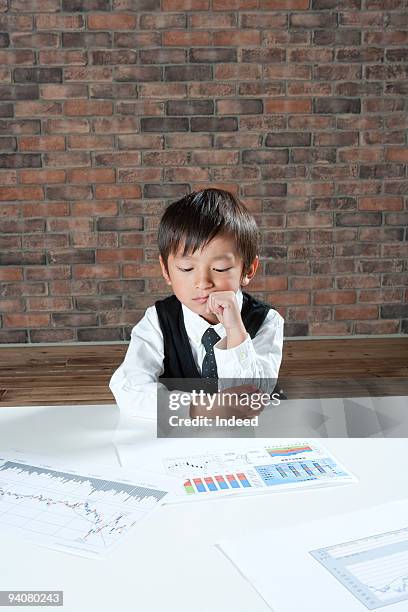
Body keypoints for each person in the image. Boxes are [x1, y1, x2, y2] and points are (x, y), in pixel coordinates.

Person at [109, 188, 284, 425]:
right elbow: (129, 388)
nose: (203, 283)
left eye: (220, 269)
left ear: (248, 270)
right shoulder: (158, 320)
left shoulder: (267, 321)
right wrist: (201, 409)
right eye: (186, 269)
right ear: (166, 270)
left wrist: (235, 332)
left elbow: (252, 398)